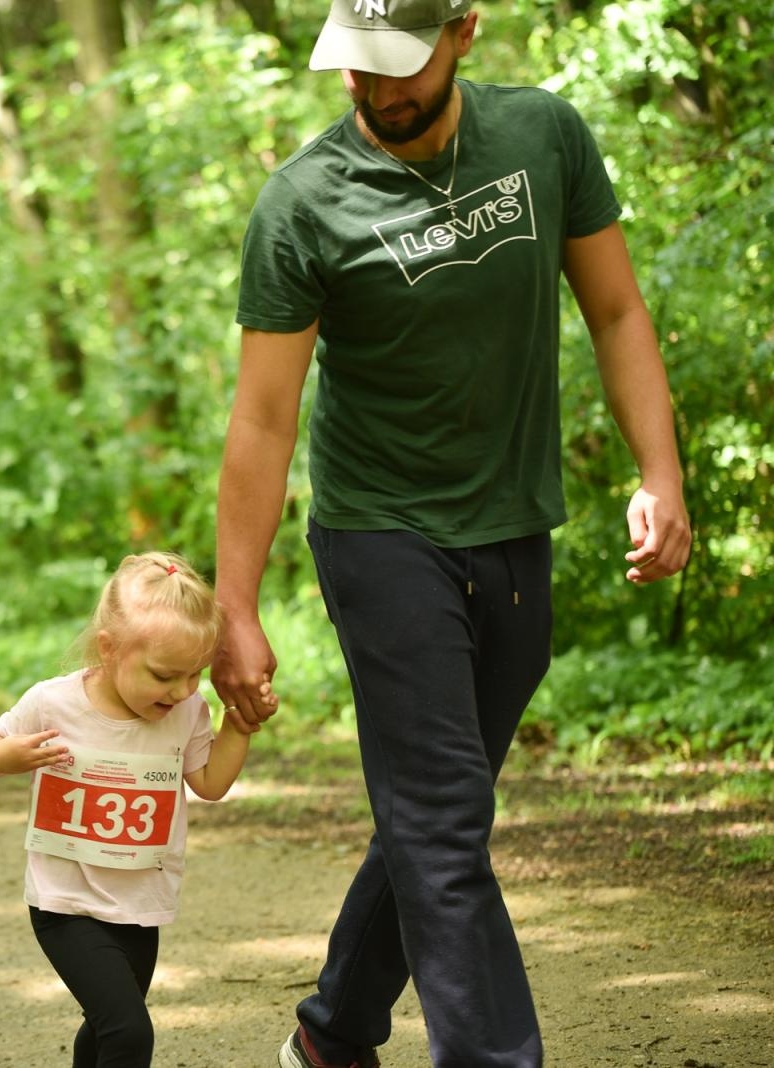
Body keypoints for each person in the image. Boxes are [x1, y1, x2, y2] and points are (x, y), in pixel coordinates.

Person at [215, 1, 693, 1065]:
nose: (382, 93)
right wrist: (232, 606)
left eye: (403, 67)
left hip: (513, 524)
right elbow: (261, 417)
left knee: (442, 807)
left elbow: (614, 310)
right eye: (359, 73)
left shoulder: (542, 137)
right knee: (439, 823)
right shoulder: (302, 204)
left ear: (463, 34)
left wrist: (658, 472)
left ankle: (333, 1033)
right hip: (379, 531)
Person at [0, 552, 270, 1068]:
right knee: (130, 1033)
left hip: (139, 904)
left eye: (194, 675)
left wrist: (237, 728)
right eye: (163, 676)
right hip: (65, 904)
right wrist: (10, 756)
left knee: (107, 1026)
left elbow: (212, 782)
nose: (180, 691)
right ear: (109, 650)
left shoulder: (185, 713)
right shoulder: (54, 703)